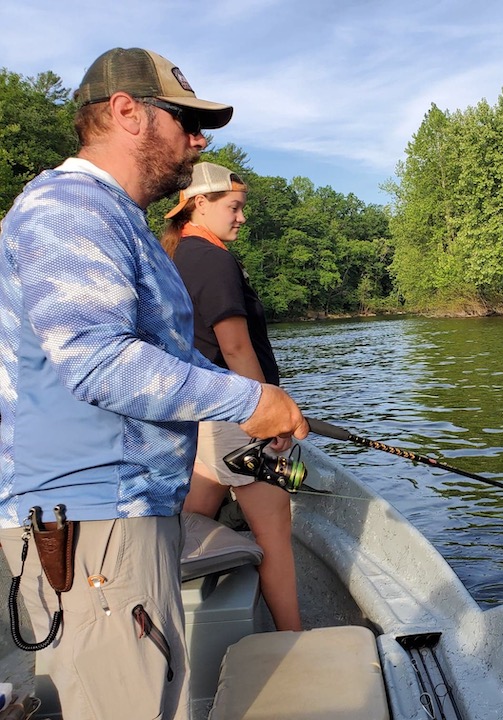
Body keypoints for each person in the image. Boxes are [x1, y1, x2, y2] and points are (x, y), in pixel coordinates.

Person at [0, 47, 308, 720]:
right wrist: (252, 398)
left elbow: (161, 360)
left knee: (153, 690)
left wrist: (265, 405)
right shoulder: (70, 207)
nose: (199, 142)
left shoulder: (124, 226)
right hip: (90, 520)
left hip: (123, 515)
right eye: (187, 122)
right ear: (126, 111)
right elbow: (97, 360)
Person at [161, 162, 302, 631]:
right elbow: (235, 346)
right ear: (199, 203)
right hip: (238, 419)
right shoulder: (213, 258)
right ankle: (293, 640)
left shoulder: (178, 256)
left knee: (190, 516)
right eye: (234, 207)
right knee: (276, 533)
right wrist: (271, 411)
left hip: (206, 419)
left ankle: (170, 615)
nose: (241, 217)